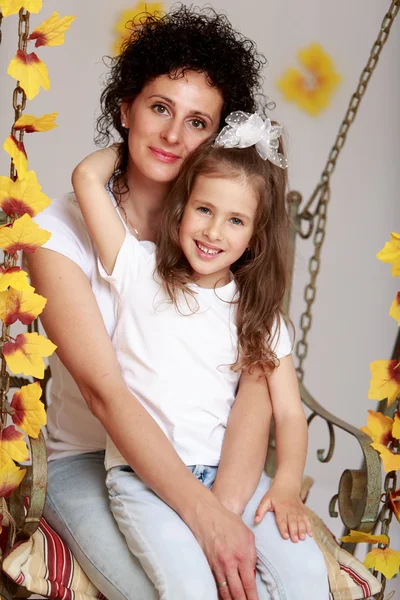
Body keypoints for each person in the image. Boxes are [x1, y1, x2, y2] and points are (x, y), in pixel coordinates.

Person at [26, 6, 328, 600]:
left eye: (197, 123)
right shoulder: (59, 231)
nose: (172, 135)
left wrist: (228, 506)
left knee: (276, 578)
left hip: (213, 459)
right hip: (91, 461)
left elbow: (253, 388)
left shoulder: (216, 234)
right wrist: (204, 518)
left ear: (217, 140)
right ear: (125, 108)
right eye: (159, 108)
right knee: (170, 586)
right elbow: (104, 394)